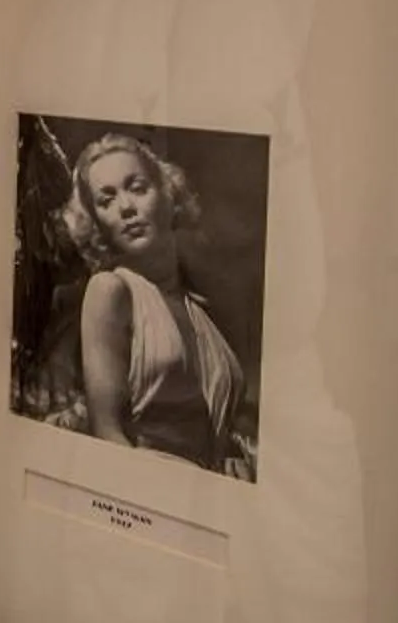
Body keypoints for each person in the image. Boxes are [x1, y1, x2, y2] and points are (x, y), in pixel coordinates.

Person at [61, 133, 256, 479]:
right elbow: (107, 435)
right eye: (106, 200)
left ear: (169, 195)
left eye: (137, 187)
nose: (126, 208)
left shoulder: (200, 310)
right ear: (97, 224)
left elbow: (214, 424)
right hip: (151, 493)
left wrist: (231, 457)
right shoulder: (111, 291)